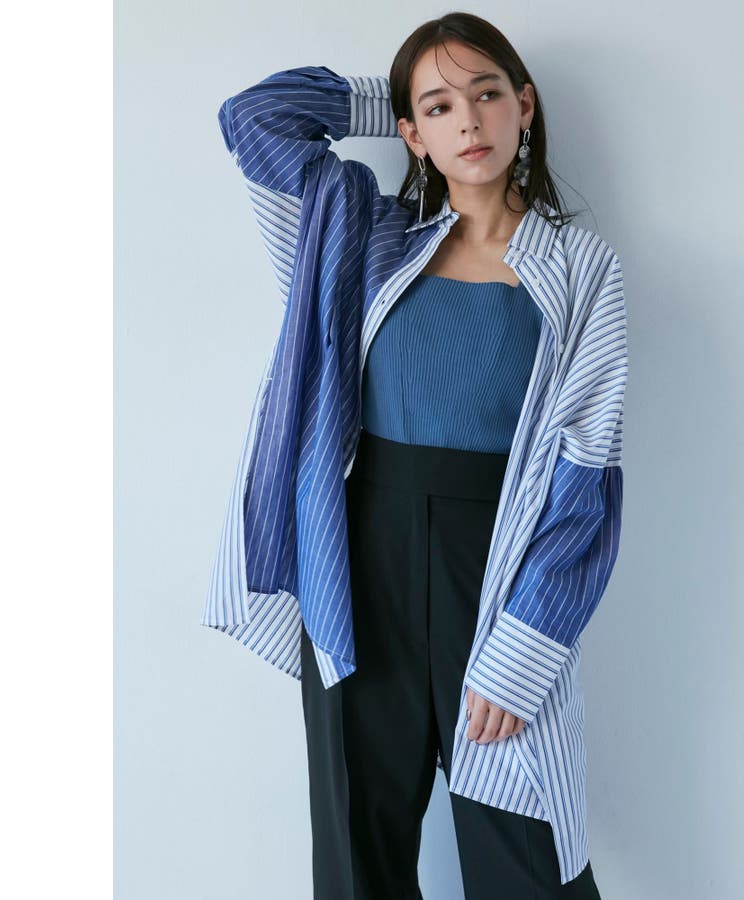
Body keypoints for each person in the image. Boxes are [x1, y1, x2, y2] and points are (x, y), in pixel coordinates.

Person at [202, 11, 628, 899]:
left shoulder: (580, 267)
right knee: (359, 853)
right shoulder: (366, 238)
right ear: (410, 133)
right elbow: (255, 118)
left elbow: (586, 474)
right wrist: (397, 99)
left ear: (525, 106)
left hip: (496, 569)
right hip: (358, 563)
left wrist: (524, 650)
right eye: (438, 107)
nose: (468, 121)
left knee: (527, 852)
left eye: (486, 94)